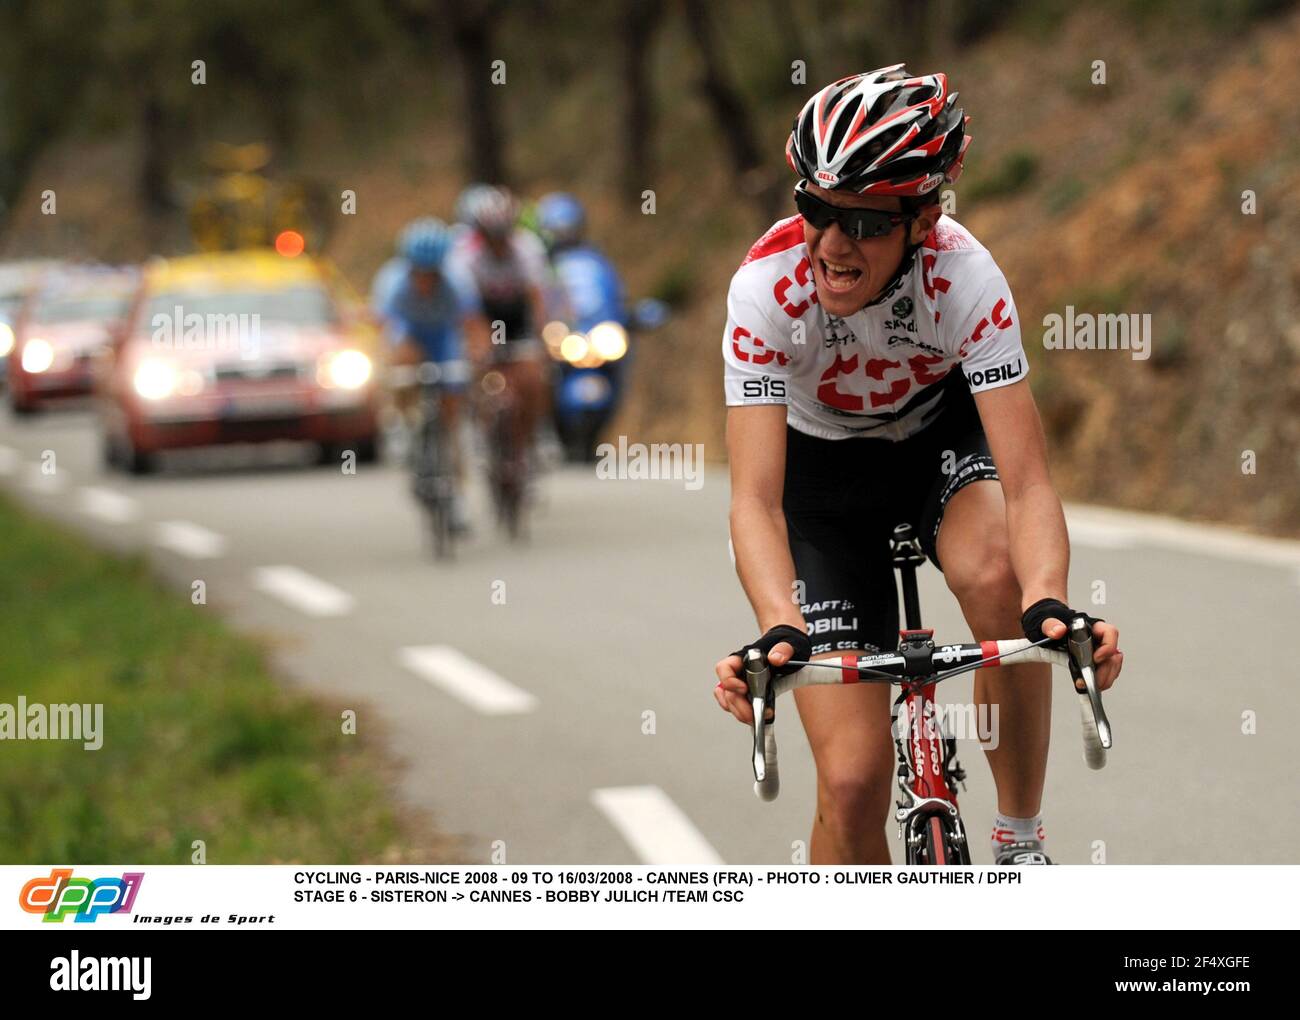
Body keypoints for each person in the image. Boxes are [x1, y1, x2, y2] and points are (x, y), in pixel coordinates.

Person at [712, 65, 1123, 866]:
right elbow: (756, 502)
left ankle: (1019, 839)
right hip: (818, 483)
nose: (831, 244)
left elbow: (1029, 479)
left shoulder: (965, 277)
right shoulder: (763, 291)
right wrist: (777, 625)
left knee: (1000, 576)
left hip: (937, 444)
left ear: (924, 219)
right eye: (816, 211)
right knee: (855, 785)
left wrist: (1050, 603)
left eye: (862, 223)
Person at [378, 217, 486, 530]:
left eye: (432, 273)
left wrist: (478, 354)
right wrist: (392, 368)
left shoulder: (458, 281)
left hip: (444, 339)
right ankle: (400, 425)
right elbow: (386, 330)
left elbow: (473, 325)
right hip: (409, 336)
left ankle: (458, 496)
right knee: (404, 363)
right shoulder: (392, 282)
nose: (425, 280)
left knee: (452, 417)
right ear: (409, 267)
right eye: (419, 272)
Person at [447, 185, 552, 466]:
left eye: (503, 236)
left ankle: (532, 438)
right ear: (479, 233)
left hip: (517, 316)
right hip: (483, 315)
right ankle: (484, 426)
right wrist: (479, 346)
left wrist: (542, 339)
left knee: (532, 376)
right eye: (490, 237)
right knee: (482, 368)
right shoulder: (464, 255)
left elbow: (536, 299)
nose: (498, 244)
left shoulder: (527, 248)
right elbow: (468, 310)